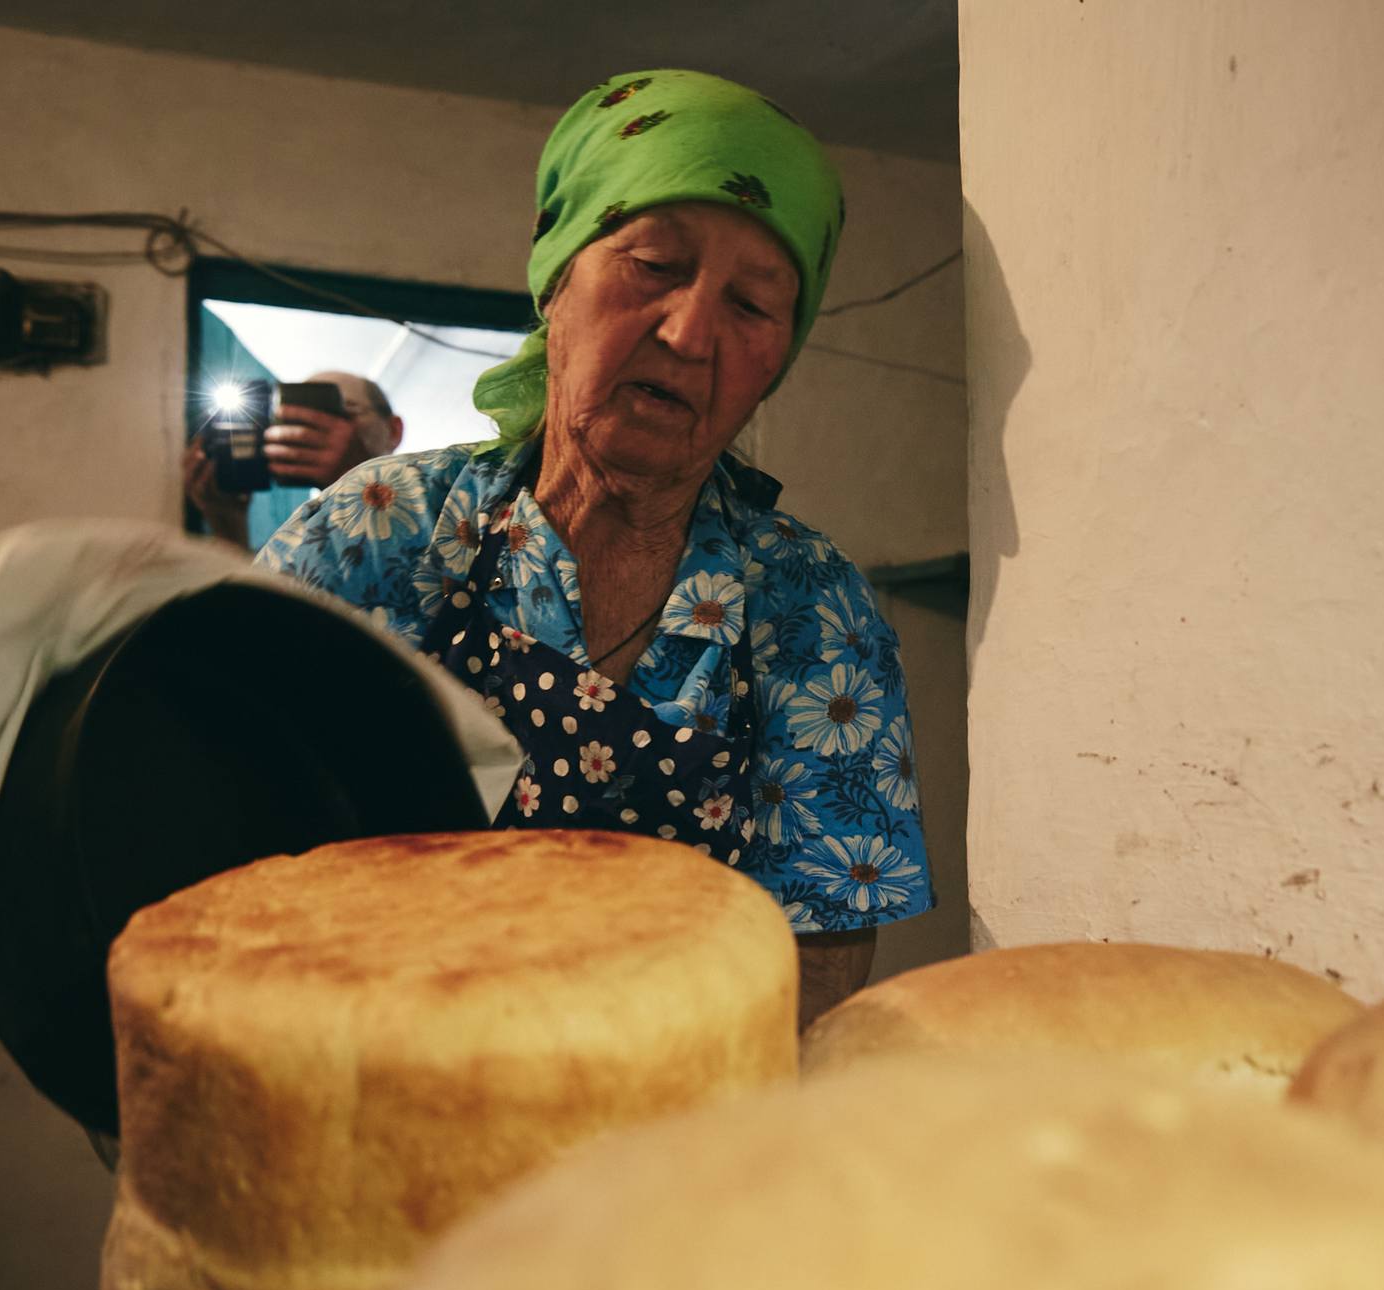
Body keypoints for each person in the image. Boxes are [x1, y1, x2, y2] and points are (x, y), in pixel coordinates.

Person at [259, 70, 931, 1028]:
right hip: (362, 1074)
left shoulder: (807, 600)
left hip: (662, 1122)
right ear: (558, 281)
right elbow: (226, 802)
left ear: (776, 362)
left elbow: (817, 951)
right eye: (654, 264)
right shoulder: (382, 523)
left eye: (751, 305)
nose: (691, 331)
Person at [182, 370, 405, 550]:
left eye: (344, 411)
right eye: (293, 419)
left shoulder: (431, 498)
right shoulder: (296, 542)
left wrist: (357, 481)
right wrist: (228, 525)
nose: (310, 430)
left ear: (393, 430)